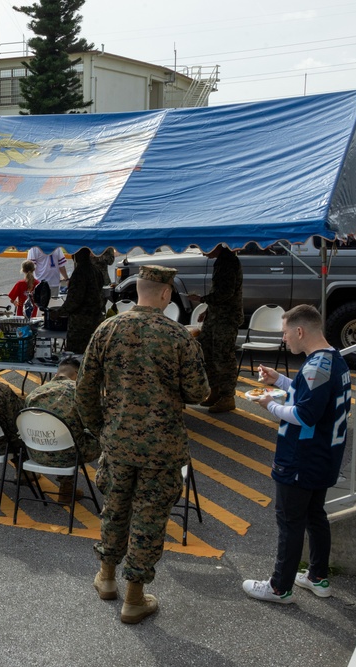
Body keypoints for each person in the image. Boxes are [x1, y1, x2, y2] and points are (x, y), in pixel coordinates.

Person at [75, 265, 209, 625]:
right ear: (165, 294)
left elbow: (84, 388)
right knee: (149, 518)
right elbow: (199, 392)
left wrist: (101, 429)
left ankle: (106, 577)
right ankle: (134, 598)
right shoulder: (177, 335)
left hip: (118, 441)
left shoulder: (107, 329)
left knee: (115, 508)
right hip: (162, 448)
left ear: (138, 291)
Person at [243, 304, 351, 605]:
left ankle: (279, 588)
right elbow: (311, 395)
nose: (283, 338)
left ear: (300, 331)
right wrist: (280, 381)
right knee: (315, 516)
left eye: (285, 332)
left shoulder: (315, 366)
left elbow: (305, 414)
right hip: (324, 456)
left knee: (290, 522)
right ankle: (317, 577)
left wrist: (269, 404)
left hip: (301, 457)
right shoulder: (333, 359)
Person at [24, 355, 100, 499]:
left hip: (36, 454)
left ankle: (66, 488)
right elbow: (95, 423)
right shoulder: (79, 392)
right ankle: (69, 488)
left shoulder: (34, 394)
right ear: (78, 374)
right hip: (69, 456)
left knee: (64, 434)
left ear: (56, 373)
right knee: (102, 438)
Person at [188, 244, 243, 413]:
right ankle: (215, 390)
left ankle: (227, 396)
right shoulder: (221, 261)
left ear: (214, 245)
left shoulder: (228, 262)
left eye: (203, 248)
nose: (202, 252)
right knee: (207, 353)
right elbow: (220, 292)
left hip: (226, 318)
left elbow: (225, 293)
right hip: (216, 316)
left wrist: (202, 299)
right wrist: (208, 310)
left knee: (223, 357)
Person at [59, 248, 106, 355]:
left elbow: (74, 300)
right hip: (95, 318)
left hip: (81, 324)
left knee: (76, 356)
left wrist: (59, 313)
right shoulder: (96, 270)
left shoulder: (79, 273)